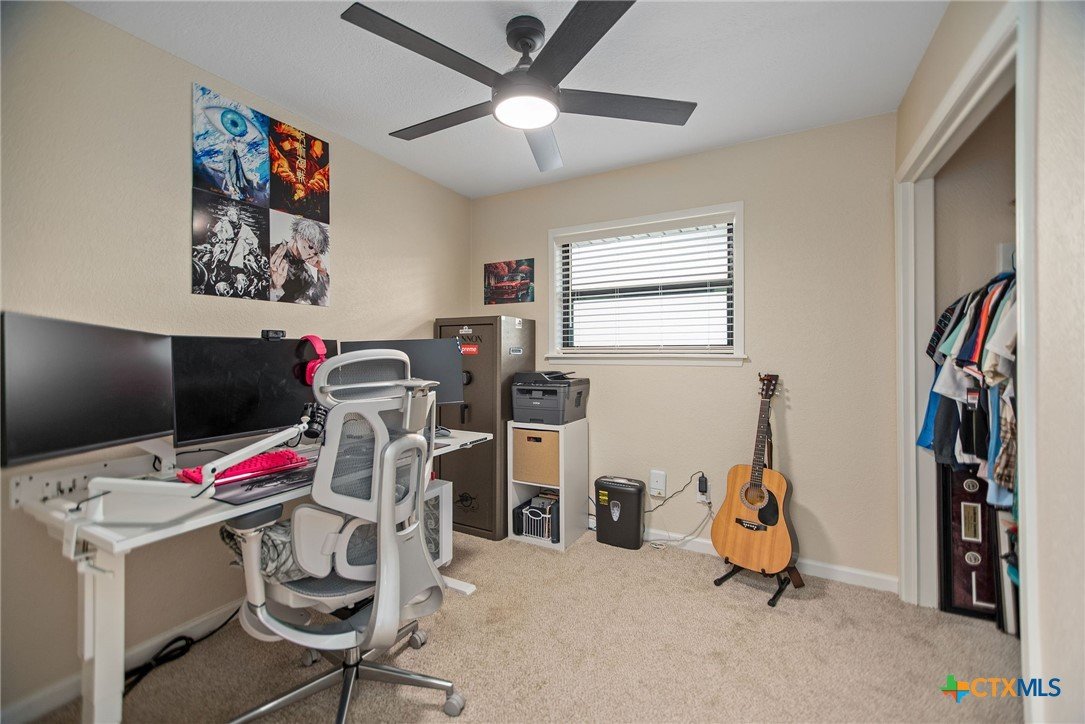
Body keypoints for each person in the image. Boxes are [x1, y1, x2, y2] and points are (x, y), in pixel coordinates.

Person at [270, 217, 330, 305]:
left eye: (316, 252)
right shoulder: (272, 253)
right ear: (299, 236)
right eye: (310, 246)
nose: (311, 254)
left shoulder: (305, 273)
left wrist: (322, 271)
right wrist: (275, 287)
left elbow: (318, 302)